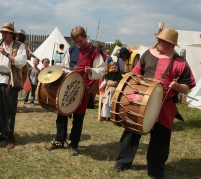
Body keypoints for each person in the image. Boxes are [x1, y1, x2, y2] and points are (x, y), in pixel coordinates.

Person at [114, 28, 196, 179]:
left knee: (161, 138)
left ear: (170, 44)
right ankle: (123, 161)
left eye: (161, 40)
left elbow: (188, 85)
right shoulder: (147, 55)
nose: (157, 41)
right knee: (131, 131)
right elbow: (135, 73)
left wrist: (177, 87)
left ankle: (156, 170)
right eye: (158, 39)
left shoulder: (180, 63)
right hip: (140, 101)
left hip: (165, 105)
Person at [45, 26, 105, 156]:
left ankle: (74, 144)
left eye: (80, 41)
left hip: (83, 90)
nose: (78, 44)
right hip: (68, 87)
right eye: (76, 42)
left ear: (85, 36)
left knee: (78, 119)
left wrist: (91, 71)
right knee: (62, 115)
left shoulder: (95, 52)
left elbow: (101, 70)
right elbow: (64, 67)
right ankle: (59, 140)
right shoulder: (71, 50)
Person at [0, 22, 27, 149]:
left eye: (5, 32)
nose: (3, 34)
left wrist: (7, 54)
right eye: (2, 32)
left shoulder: (20, 46)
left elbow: (21, 62)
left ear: (11, 34)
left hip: (10, 81)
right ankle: (3, 132)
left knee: (9, 110)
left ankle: (10, 136)